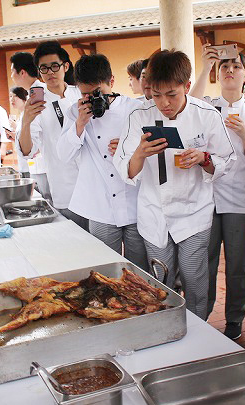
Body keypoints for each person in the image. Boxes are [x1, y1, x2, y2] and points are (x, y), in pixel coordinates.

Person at [114, 49, 236, 320]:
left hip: (194, 211)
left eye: (172, 94)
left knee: (194, 277)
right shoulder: (139, 116)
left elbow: (227, 160)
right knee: (160, 280)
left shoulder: (206, 115)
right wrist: (140, 154)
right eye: (156, 95)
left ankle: (199, 329)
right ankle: (165, 327)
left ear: (187, 86)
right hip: (154, 212)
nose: (164, 103)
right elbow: (124, 169)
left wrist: (204, 158)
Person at [191, 47, 245, 340]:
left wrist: (244, 133)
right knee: (205, 262)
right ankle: (202, 314)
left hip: (240, 198)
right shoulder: (208, 106)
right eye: (224, 66)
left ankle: (235, 319)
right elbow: (189, 103)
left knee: (238, 264)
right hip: (207, 196)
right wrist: (205, 67)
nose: (229, 70)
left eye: (236, 66)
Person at [57, 54, 148, 270]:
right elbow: (63, 155)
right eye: (85, 94)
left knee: (139, 270)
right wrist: (80, 124)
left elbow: (151, 149)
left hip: (136, 202)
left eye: (98, 92)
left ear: (112, 81)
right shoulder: (75, 112)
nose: (92, 99)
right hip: (100, 206)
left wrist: (130, 148)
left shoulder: (135, 109)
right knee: (105, 269)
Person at [20, 41, 87, 228]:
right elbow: (27, 150)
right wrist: (26, 122)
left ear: (66, 66)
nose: (50, 72)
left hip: (93, 185)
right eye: (44, 68)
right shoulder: (37, 105)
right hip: (64, 186)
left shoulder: (80, 93)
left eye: (54, 66)